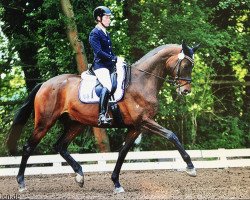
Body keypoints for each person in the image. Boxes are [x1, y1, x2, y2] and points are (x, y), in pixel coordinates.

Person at [89, 6, 117, 126]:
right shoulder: (94, 33)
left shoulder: (105, 32)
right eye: (107, 17)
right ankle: (102, 115)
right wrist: (112, 58)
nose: (109, 19)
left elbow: (110, 51)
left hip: (109, 65)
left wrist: (116, 59)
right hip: (100, 66)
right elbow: (99, 52)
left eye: (109, 17)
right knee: (108, 85)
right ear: (99, 18)